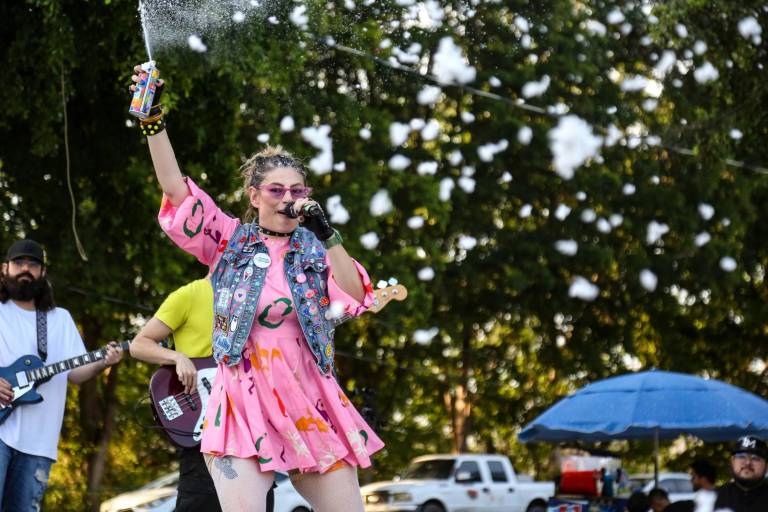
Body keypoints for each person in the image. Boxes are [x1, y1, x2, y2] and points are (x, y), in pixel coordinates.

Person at [131, 66, 384, 512]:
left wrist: (329, 236)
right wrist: (153, 123)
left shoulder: (315, 249)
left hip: (307, 392)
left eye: (297, 189)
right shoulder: (230, 243)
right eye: (276, 189)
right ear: (254, 196)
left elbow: (355, 294)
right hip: (242, 396)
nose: (288, 197)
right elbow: (175, 190)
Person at [0, 239, 123, 509]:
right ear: (5, 268)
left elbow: (75, 374)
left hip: (38, 444)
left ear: (42, 273)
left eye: (33, 264)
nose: (25, 269)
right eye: (19, 263)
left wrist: (104, 362)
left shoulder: (59, 319)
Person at [714, 435, 768, 512]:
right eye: (741, 456)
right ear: (732, 461)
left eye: (755, 458)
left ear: (766, 467)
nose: (748, 462)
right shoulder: (713, 498)